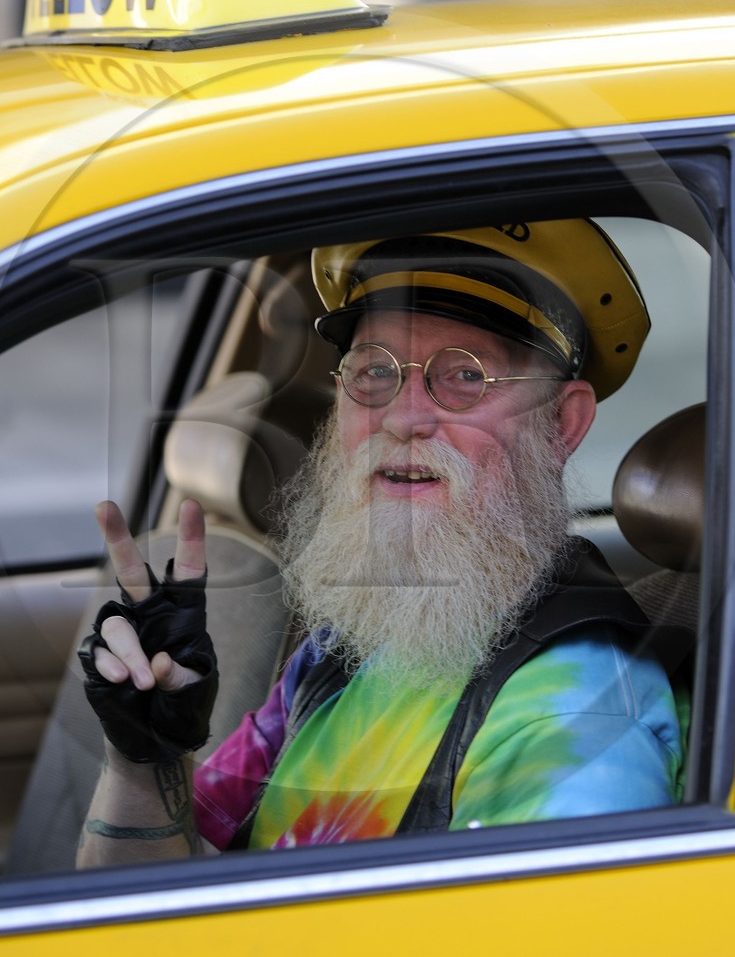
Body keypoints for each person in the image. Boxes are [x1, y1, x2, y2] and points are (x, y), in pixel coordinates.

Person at [76, 220, 689, 862]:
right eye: (374, 370)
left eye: (466, 375)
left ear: (561, 422)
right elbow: (155, 896)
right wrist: (143, 759)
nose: (402, 417)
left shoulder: (578, 716)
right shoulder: (347, 647)